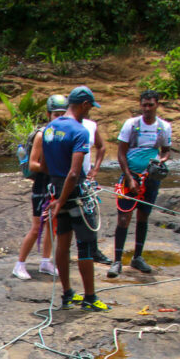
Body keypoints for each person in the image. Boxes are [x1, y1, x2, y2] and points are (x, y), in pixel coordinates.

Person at [40, 85, 110, 312]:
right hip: (75, 192)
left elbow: (44, 164)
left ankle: (67, 293)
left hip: (56, 188)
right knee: (85, 245)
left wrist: (58, 196)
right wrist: (63, 199)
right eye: (90, 107)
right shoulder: (80, 131)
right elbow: (74, 171)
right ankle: (90, 297)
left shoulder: (50, 129)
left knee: (63, 241)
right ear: (84, 105)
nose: (90, 112)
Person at [107, 90, 172, 278]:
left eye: (151, 105)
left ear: (157, 105)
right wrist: (129, 177)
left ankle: (138, 257)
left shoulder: (164, 127)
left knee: (143, 216)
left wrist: (160, 161)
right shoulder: (131, 125)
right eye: (144, 105)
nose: (147, 108)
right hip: (130, 176)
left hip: (150, 179)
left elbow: (166, 151)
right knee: (123, 218)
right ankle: (117, 260)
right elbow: (121, 153)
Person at [12, 94, 66, 280]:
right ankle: (19, 264)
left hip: (56, 185)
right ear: (49, 114)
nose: (59, 118)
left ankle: (45, 261)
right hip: (42, 185)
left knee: (53, 225)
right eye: (56, 114)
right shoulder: (43, 135)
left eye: (63, 114)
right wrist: (53, 166)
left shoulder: (64, 135)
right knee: (37, 227)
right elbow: (33, 164)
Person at [81, 109, 111, 265]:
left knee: (90, 216)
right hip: (66, 179)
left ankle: (94, 251)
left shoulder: (91, 125)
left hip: (85, 179)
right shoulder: (62, 126)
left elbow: (101, 147)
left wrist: (95, 169)